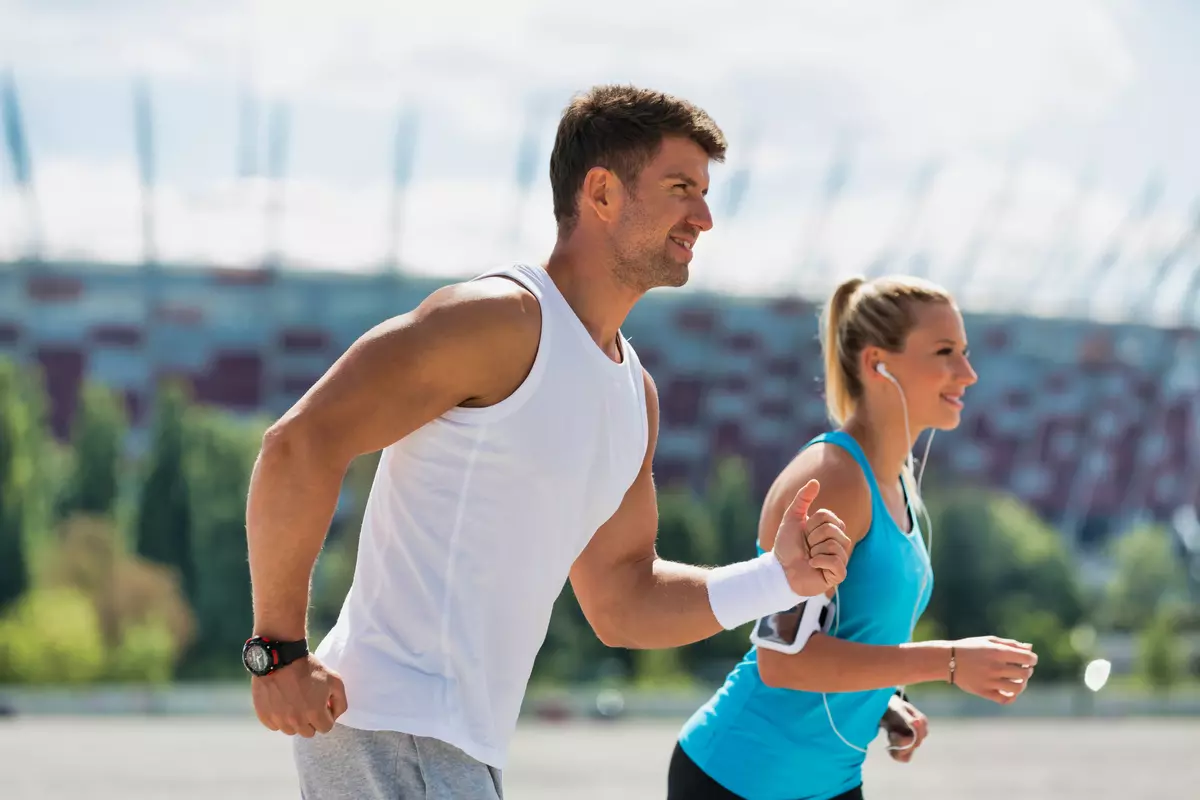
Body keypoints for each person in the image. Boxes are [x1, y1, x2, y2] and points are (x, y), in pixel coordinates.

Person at [242, 84, 854, 800]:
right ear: (601, 192)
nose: (705, 216)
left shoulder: (635, 395)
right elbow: (300, 442)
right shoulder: (495, 321)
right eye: (681, 187)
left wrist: (778, 578)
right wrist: (277, 650)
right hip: (391, 726)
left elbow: (624, 601)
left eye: (706, 192)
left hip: (460, 745)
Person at [668, 275, 1041, 800]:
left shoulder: (898, 483)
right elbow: (781, 659)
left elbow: (850, 635)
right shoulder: (832, 480)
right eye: (945, 352)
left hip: (832, 783)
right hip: (739, 779)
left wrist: (879, 702)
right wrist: (949, 660)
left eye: (965, 352)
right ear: (876, 364)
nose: (969, 373)